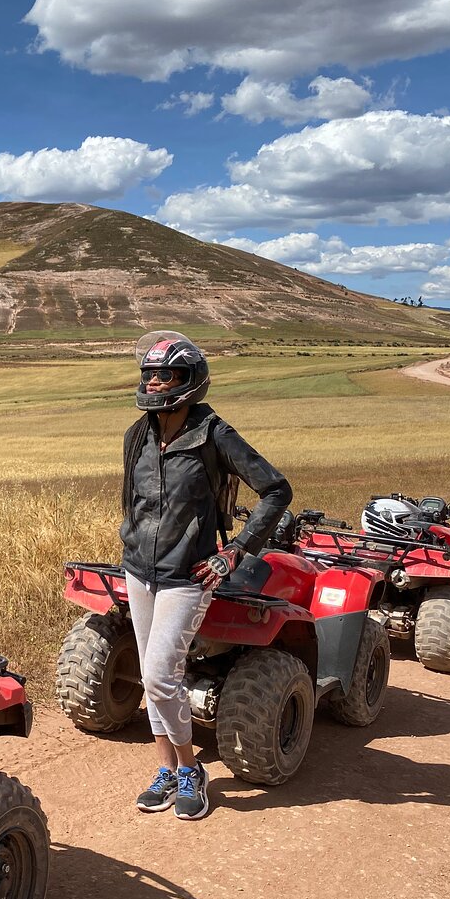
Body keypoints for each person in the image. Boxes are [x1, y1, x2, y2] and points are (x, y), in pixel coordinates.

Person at [120, 331, 291, 821]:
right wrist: (128, 540)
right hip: (139, 569)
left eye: (165, 375)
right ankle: (167, 771)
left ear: (189, 380)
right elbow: (132, 499)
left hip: (187, 574)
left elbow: (276, 490)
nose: (154, 383)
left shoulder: (214, 433)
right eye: (149, 374)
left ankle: (192, 770)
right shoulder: (137, 435)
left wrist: (235, 550)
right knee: (157, 681)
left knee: (158, 675)